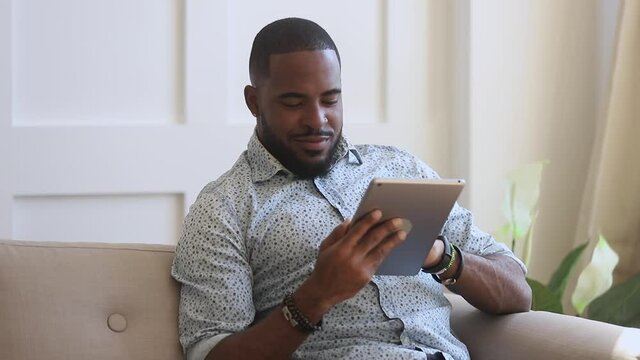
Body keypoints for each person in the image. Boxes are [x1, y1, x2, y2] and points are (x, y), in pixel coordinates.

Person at [172, 17, 531, 360]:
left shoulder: (399, 168)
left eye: (330, 100)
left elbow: (518, 293)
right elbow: (210, 353)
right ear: (254, 102)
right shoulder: (223, 209)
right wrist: (317, 294)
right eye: (294, 103)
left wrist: (439, 255)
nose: (317, 120)